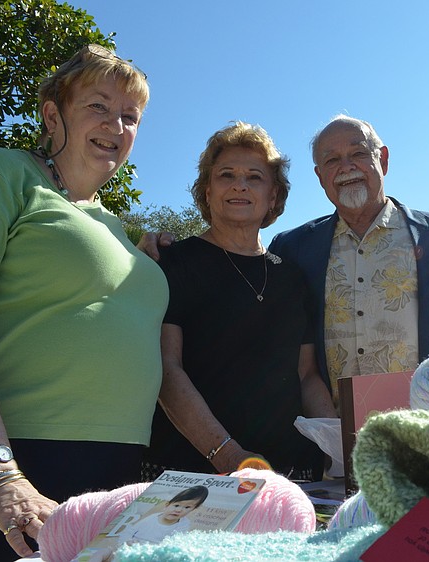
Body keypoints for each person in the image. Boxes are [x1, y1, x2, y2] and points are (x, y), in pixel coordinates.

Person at [0, 45, 166, 560]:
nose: (116, 125)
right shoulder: (0, 173)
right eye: (98, 106)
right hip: (16, 462)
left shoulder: (118, 229)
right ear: (53, 116)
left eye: (130, 117)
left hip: (120, 469)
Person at [142, 122, 336, 483]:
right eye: (226, 175)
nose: (239, 185)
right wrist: (230, 455)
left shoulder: (291, 276)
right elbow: (167, 369)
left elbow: (306, 374)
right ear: (207, 191)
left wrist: (338, 447)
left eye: (254, 177)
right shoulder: (172, 262)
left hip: (290, 471)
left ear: (273, 196)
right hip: (194, 470)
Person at [268, 115, 429, 401]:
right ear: (319, 176)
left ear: (384, 160)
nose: (346, 167)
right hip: (330, 426)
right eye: (332, 160)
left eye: (358, 153)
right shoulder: (291, 249)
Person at [126, 485, 208, 543]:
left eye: (187, 507)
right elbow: (130, 531)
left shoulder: (184, 524)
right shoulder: (153, 517)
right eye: (176, 505)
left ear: (193, 509)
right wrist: (127, 541)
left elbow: (175, 543)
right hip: (135, 545)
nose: (179, 510)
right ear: (167, 505)